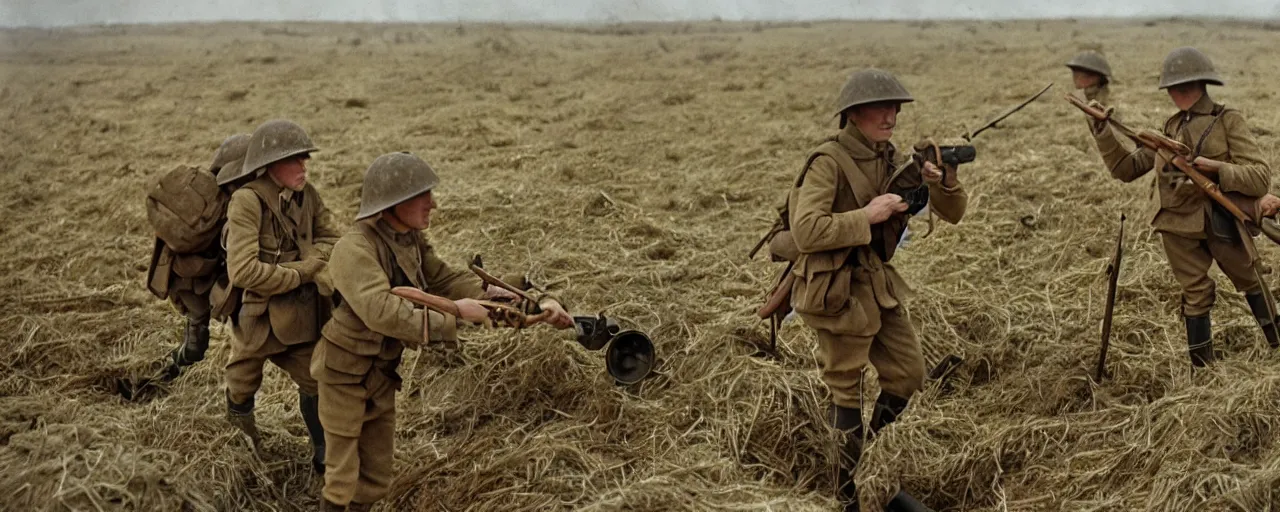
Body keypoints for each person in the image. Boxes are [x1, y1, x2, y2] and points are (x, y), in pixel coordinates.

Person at [313, 152, 572, 511]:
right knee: (341, 479)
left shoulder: (408, 240)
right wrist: (453, 316)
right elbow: (381, 312)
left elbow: (449, 281)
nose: (433, 203)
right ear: (395, 201)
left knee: (374, 478)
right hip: (344, 374)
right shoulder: (353, 249)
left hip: (380, 374)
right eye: (423, 195)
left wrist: (531, 303)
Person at [785, 69, 968, 510]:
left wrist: (939, 180)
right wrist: (867, 215)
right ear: (854, 114)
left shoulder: (889, 157)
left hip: (875, 284)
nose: (892, 115)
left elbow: (955, 214)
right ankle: (845, 492)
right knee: (845, 387)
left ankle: (871, 458)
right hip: (835, 288)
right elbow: (806, 231)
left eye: (896, 108)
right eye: (882, 108)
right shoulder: (828, 161)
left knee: (908, 373)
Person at [1091, 47, 1275, 363]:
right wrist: (1103, 132)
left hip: (1222, 218)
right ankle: (1202, 371)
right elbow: (1127, 169)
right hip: (1177, 225)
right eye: (1175, 87)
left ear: (1198, 85)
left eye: (1181, 86)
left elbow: (1259, 177)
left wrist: (1215, 168)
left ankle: (1277, 347)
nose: (1176, 93)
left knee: (1251, 280)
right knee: (1195, 295)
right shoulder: (1170, 128)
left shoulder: (1227, 121)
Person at [220, 119, 342, 473]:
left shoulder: (309, 195)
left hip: (301, 316)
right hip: (257, 319)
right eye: (295, 160)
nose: (305, 166)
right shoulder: (247, 201)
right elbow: (242, 272)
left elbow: (333, 239)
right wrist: (303, 271)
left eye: (305, 158)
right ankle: (244, 451)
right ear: (271, 166)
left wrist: (314, 258)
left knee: (315, 381)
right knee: (241, 386)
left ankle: (324, 456)